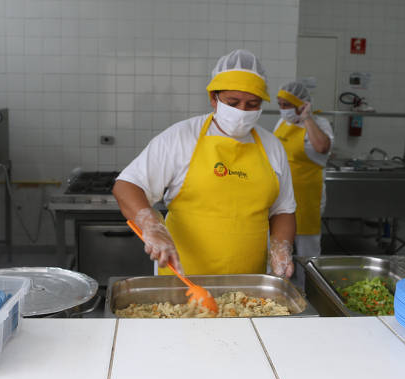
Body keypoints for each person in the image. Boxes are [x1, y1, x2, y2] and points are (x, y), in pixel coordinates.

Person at [113, 49, 297, 278]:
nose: (242, 112)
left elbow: (283, 210)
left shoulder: (272, 146)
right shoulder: (181, 137)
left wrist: (281, 250)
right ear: (213, 98)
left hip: (248, 284)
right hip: (184, 283)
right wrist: (151, 225)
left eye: (252, 104)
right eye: (233, 102)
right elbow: (127, 185)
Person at [273, 81, 334, 264]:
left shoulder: (319, 124)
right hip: (282, 194)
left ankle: (309, 287)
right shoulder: (282, 122)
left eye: (288, 105)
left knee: (307, 251)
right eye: (280, 105)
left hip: (307, 197)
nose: (283, 110)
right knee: (280, 246)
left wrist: (307, 118)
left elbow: (322, 147)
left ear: (302, 105)